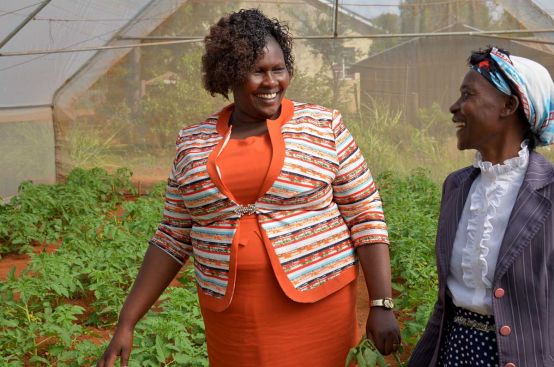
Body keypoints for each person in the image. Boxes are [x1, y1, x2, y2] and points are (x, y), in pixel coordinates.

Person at [97, 8, 400, 367]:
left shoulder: (324, 127)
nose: (272, 82)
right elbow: (172, 236)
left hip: (318, 305)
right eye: (258, 71)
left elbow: (365, 214)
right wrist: (127, 321)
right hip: (233, 318)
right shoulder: (193, 144)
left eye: (279, 69)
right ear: (230, 73)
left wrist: (381, 303)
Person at [408, 46, 554, 367]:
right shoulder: (457, 186)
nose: (454, 107)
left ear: (509, 105)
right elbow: (446, 303)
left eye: (467, 95)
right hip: (454, 352)